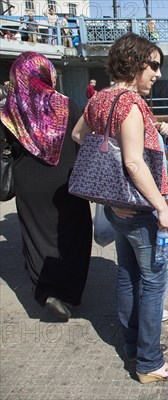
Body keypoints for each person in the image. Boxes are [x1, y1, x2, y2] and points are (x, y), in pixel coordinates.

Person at [71, 33, 168, 383]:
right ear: (134, 64)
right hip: (141, 210)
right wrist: (162, 209)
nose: (158, 74)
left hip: (116, 208)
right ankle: (149, 362)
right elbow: (134, 163)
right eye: (153, 66)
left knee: (126, 274)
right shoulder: (129, 103)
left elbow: (78, 136)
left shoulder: (100, 98)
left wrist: (109, 185)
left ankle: (133, 346)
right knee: (153, 283)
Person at [0, 52, 92, 321]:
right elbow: (81, 141)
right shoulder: (67, 104)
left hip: (28, 183)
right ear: (47, 74)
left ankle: (47, 293)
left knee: (36, 237)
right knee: (74, 233)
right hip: (66, 180)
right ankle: (70, 293)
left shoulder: (8, 110)